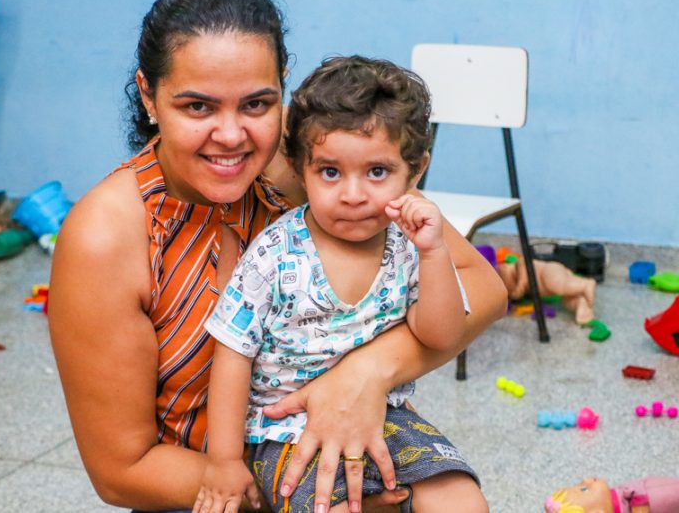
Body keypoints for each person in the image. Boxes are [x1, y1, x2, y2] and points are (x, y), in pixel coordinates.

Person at [48, 0, 508, 512]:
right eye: (197, 107)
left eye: (257, 104)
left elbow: (483, 286)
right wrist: (306, 495)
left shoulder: (312, 159)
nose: (231, 135)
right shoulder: (107, 235)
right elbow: (124, 472)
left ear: (282, 88)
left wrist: (363, 375)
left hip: (343, 442)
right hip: (215, 494)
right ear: (149, 95)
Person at [194, 56, 487, 513]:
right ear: (299, 167)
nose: (353, 195)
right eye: (330, 172)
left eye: (377, 172)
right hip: (286, 435)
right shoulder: (274, 253)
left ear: (416, 169)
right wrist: (225, 462)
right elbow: (232, 353)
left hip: (386, 418)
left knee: (462, 500)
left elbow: (441, 335)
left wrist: (433, 254)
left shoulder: (411, 245)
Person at [544, 475, 679, 513]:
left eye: (582, 487)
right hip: (654, 501)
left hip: (652, 495)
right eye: (584, 489)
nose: (586, 480)